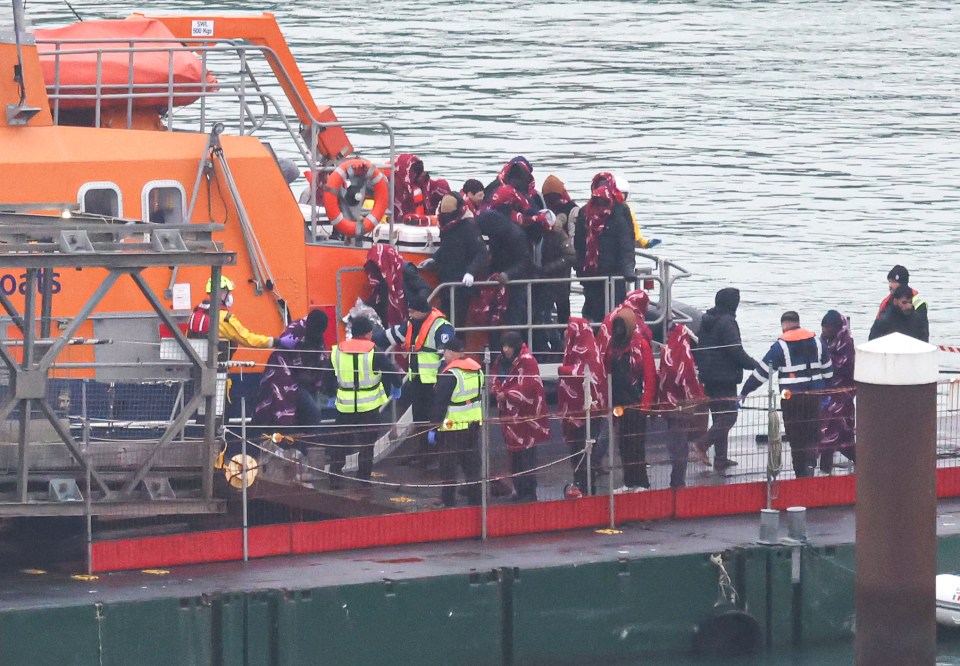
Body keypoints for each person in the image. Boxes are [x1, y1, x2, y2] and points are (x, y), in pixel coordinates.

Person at [740, 311, 833, 478]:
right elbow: (828, 371)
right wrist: (827, 394)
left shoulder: (780, 347)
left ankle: (800, 474)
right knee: (812, 434)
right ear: (798, 322)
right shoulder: (818, 343)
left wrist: (744, 392)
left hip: (791, 399)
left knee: (796, 437)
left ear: (783, 325)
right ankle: (810, 466)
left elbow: (762, 373)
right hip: (815, 397)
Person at [323, 315, 401, 488]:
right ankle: (364, 479)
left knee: (341, 443)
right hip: (370, 407)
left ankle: (335, 478)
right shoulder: (374, 351)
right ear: (367, 333)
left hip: (344, 406)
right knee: (367, 444)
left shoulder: (337, 350)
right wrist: (397, 386)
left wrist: (330, 395)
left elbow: (327, 377)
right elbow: (391, 370)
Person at [378, 294, 455, 466]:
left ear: (422, 311)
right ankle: (423, 451)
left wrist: (442, 379)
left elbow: (448, 356)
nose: (409, 315)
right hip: (418, 380)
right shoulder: (411, 325)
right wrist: (367, 341)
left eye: (412, 311)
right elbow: (390, 336)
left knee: (435, 418)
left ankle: (436, 453)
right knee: (419, 417)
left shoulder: (442, 327)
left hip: (435, 382)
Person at [691, 288, 759, 470]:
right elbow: (735, 350)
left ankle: (720, 458)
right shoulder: (727, 322)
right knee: (729, 416)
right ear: (732, 303)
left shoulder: (706, 322)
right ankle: (702, 444)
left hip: (709, 377)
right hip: (725, 377)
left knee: (718, 417)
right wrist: (755, 365)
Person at [251, 310, 331, 453]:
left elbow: (321, 359)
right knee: (310, 414)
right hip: (284, 380)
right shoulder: (296, 331)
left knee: (309, 416)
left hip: (305, 382)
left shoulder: (317, 336)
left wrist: (321, 381)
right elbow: (282, 355)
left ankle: (300, 449)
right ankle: (296, 449)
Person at [491, 331, 551, 502]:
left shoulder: (528, 362)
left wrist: (508, 394)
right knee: (514, 455)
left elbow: (530, 386)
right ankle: (519, 488)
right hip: (511, 418)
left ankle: (529, 491)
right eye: (504, 346)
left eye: (509, 346)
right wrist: (498, 390)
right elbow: (495, 378)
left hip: (527, 418)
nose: (506, 350)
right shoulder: (501, 361)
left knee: (527, 456)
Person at [603, 308, 656, 493]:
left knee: (636, 444)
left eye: (620, 325)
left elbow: (649, 377)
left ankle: (641, 482)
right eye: (615, 325)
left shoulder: (641, 345)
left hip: (636, 403)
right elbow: (607, 372)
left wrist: (645, 405)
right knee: (623, 444)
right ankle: (629, 480)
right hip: (619, 404)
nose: (617, 329)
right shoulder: (613, 346)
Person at [427, 336, 483, 507]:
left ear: (451, 353)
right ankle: (476, 500)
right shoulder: (477, 370)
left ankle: (448, 500)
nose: (444, 355)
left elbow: (440, 403)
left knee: (448, 466)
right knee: (472, 464)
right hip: (473, 424)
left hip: (452, 426)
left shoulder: (450, 375)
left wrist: (433, 428)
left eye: (445, 352)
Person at [573, 174, 636, 322]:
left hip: (615, 273)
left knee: (616, 312)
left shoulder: (620, 211)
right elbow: (579, 245)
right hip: (592, 275)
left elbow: (627, 241)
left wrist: (628, 269)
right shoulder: (584, 213)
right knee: (593, 312)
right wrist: (580, 271)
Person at [557, 317, 608, 496]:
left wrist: (562, 371)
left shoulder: (588, 352)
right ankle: (580, 485)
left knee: (585, 451)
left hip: (588, 412)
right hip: (576, 411)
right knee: (577, 451)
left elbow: (584, 373)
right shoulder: (574, 350)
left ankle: (587, 488)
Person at [427, 193, 490, 328]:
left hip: (462, 282)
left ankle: (458, 345)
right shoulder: (446, 226)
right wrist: (434, 259)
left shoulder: (469, 226)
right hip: (446, 278)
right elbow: (446, 248)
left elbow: (481, 252)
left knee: (459, 318)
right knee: (445, 316)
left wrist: (471, 272)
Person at [657, 323, 707, 489]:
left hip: (670, 404)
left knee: (675, 443)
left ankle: (677, 479)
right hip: (684, 405)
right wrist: (698, 396)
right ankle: (678, 480)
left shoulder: (667, 351)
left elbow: (665, 376)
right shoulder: (684, 353)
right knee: (680, 443)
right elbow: (689, 378)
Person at [188, 275, 278, 353]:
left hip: (194, 363)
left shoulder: (197, 312)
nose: (230, 296)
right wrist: (275, 341)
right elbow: (248, 339)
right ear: (220, 293)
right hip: (216, 367)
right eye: (229, 292)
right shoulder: (224, 318)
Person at [818, 310, 856, 473]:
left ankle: (826, 468)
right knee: (828, 430)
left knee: (837, 430)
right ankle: (824, 468)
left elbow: (844, 367)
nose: (825, 331)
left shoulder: (845, 343)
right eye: (823, 327)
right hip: (827, 394)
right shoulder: (823, 342)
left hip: (842, 394)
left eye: (828, 328)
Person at [542, 175, 579, 325]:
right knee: (562, 301)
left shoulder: (546, 209)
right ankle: (563, 331)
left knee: (561, 301)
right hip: (558, 261)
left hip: (556, 261)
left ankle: (561, 330)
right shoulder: (571, 207)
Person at [608, 171, 660, 250]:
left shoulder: (627, 211)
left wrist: (645, 243)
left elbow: (634, 235)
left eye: (622, 195)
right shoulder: (597, 209)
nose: (619, 198)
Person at [876, 264, 929, 342]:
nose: (890, 285)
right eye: (889, 281)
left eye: (894, 282)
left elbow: (923, 334)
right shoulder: (886, 302)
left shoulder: (919, 305)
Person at [393, 153, 451, 223]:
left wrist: (429, 220)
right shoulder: (390, 187)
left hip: (427, 226)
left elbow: (454, 212)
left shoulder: (436, 187)